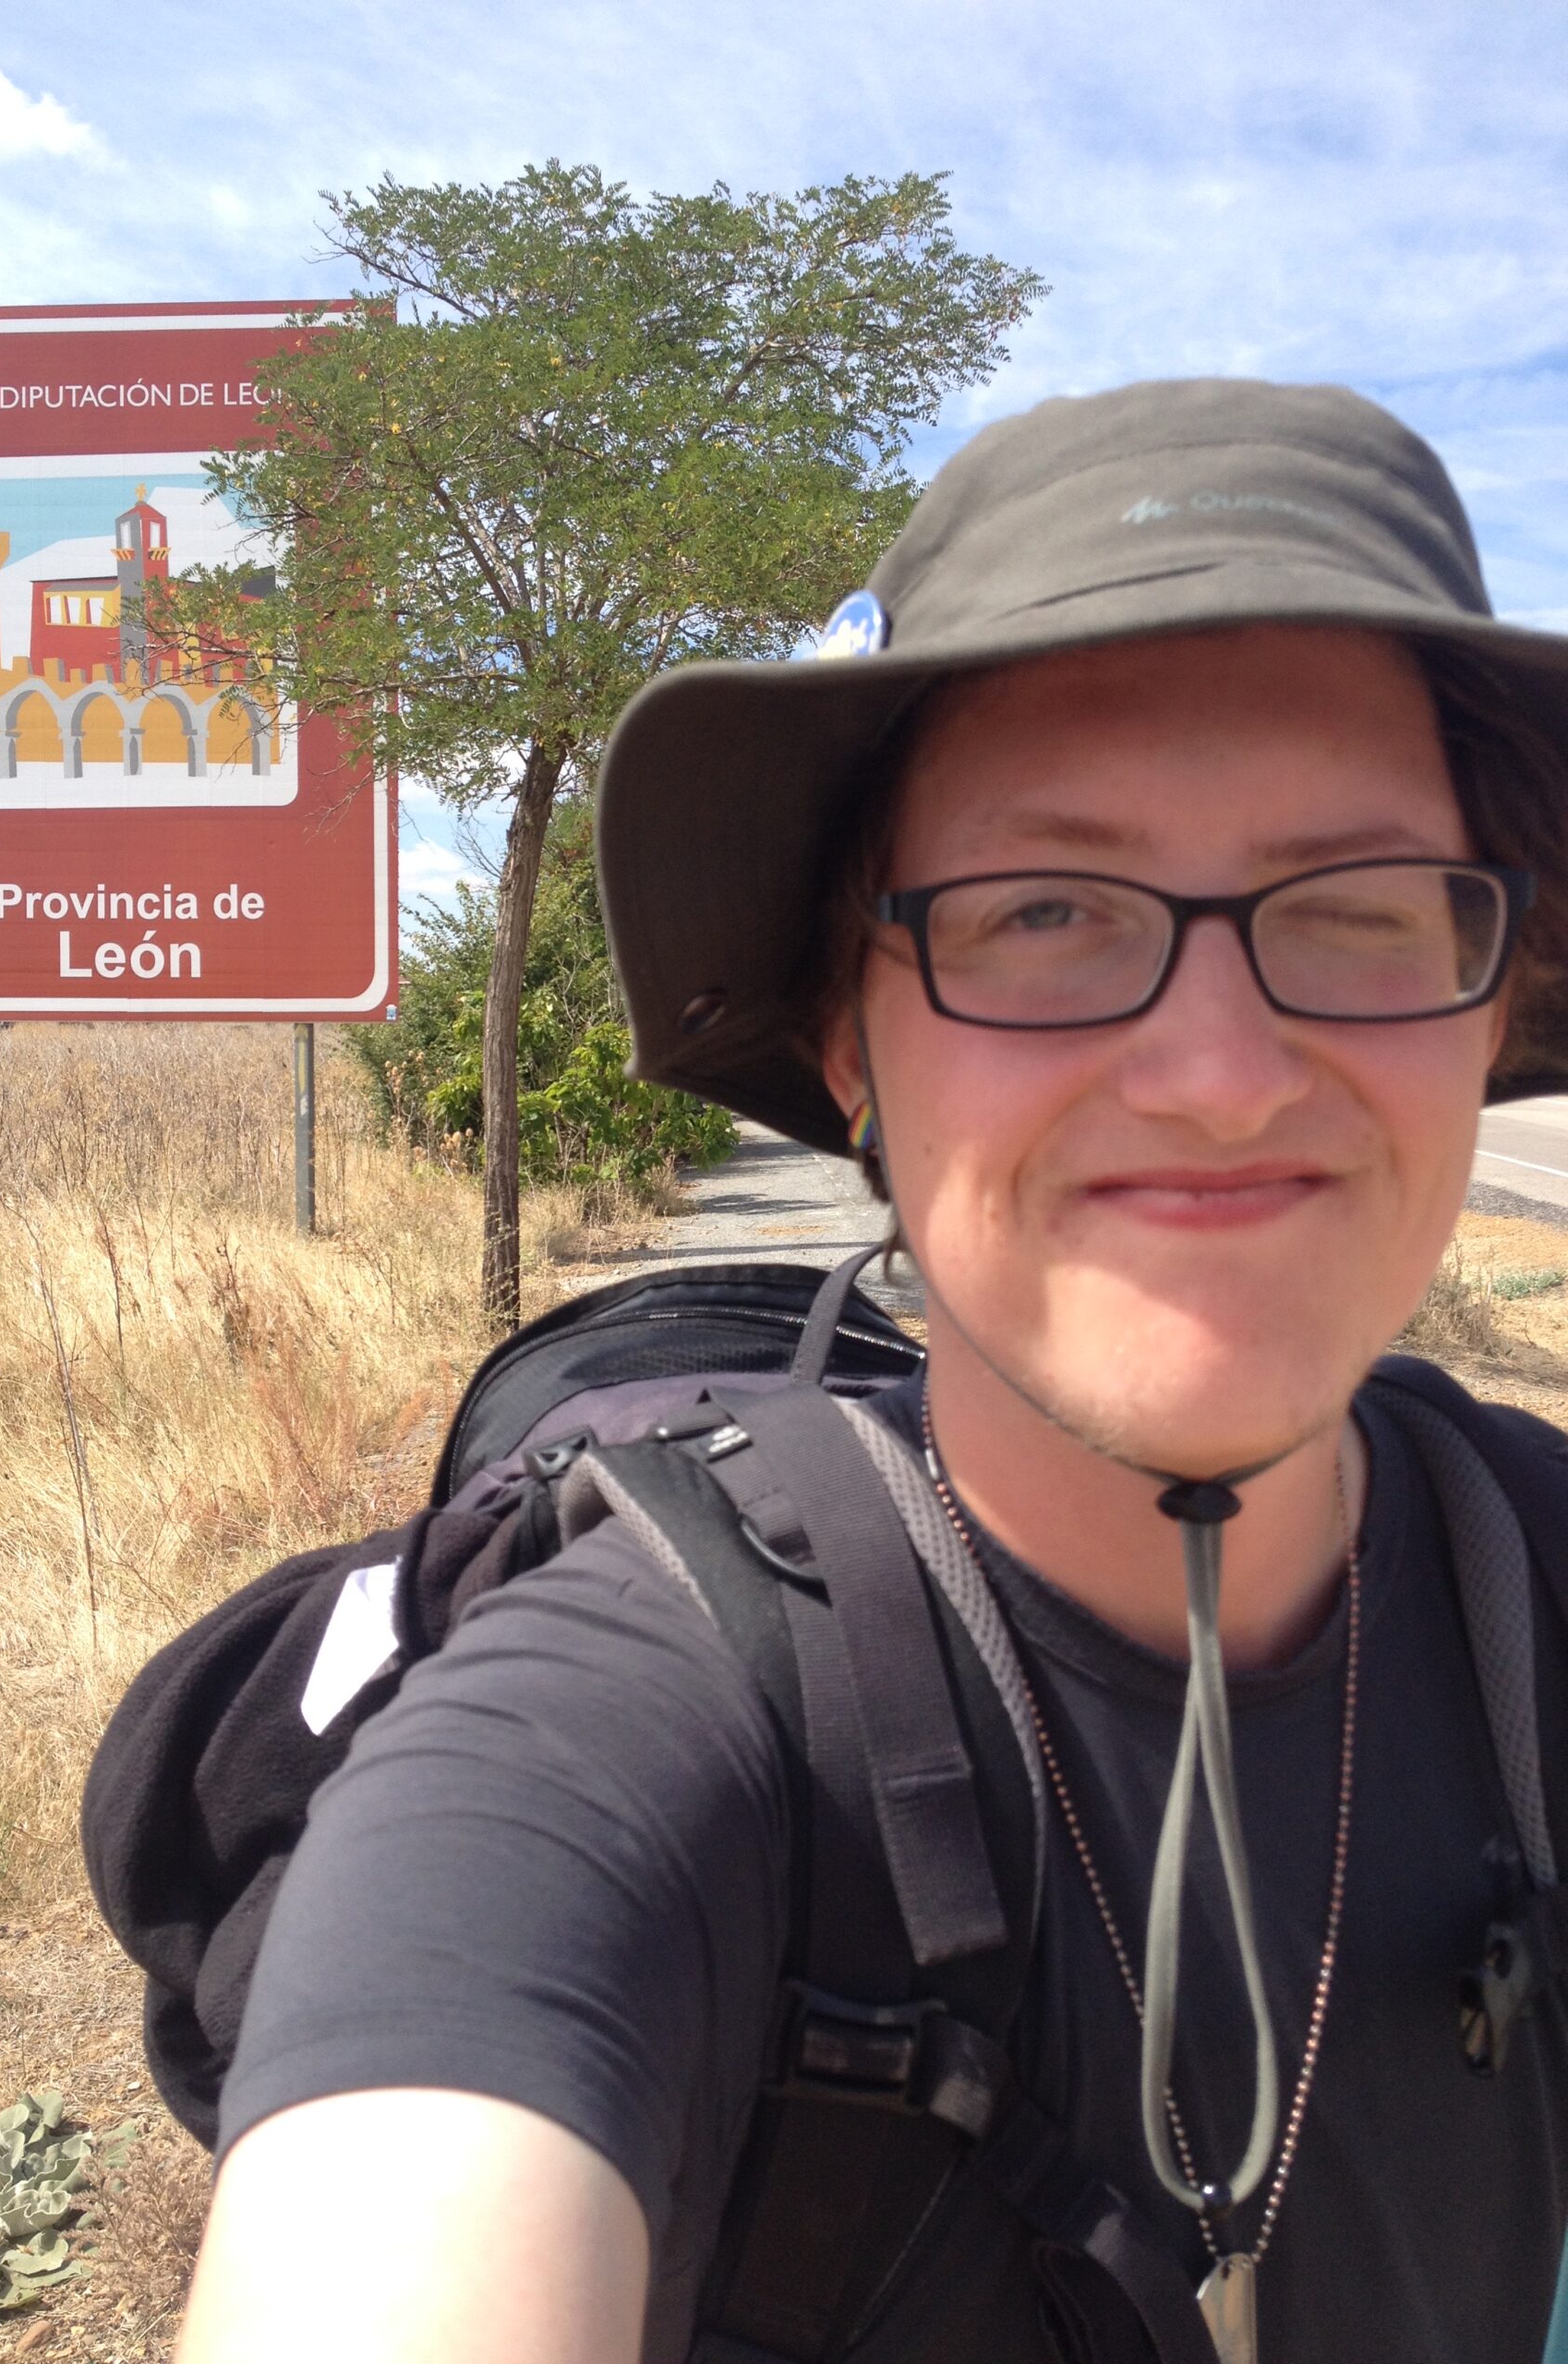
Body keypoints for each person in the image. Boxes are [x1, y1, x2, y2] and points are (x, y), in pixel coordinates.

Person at [173, 380, 1568, 2363]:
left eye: (1354, 909)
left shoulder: (1538, 1587)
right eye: (1044, 912)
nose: (1220, 1072)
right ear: (852, 1044)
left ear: (1492, 1001)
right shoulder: (613, 1739)